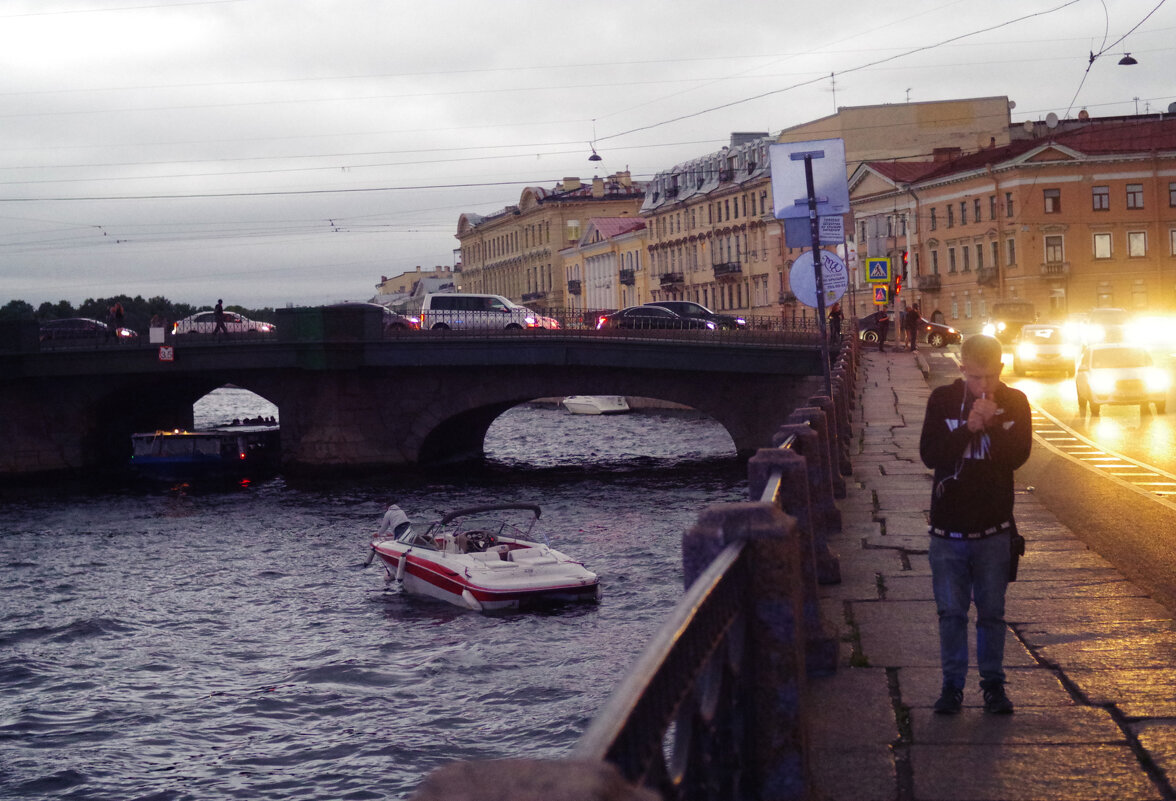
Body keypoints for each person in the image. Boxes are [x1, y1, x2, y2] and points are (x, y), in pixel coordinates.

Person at [919, 334, 1031, 715]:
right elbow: (929, 455)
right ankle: (951, 687)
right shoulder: (942, 400)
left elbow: (1017, 458)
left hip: (993, 531)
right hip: (947, 533)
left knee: (991, 614)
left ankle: (993, 685)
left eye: (991, 377)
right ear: (962, 368)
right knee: (951, 614)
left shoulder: (1015, 402)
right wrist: (967, 428)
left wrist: (991, 426)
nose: (984, 385)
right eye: (976, 377)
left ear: (1002, 369)